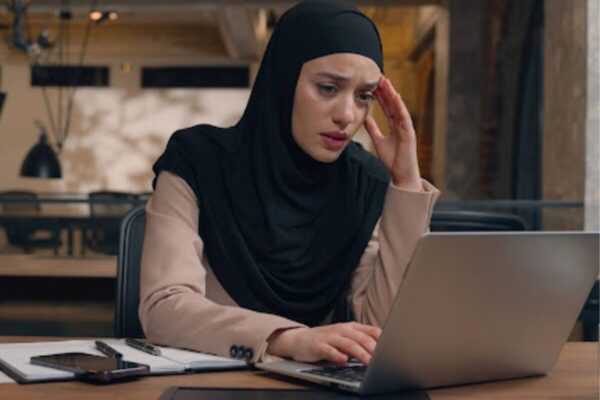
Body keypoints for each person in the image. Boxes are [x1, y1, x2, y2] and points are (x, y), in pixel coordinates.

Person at [139, 0, 440, 367]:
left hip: (316, 386)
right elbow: (164, 307)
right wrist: (286, 339)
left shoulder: (364, 181)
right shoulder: (197, 160)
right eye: (328, 88)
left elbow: (382, 331)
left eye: (364, 96)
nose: (348, 115)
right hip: (207, 381)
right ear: (283, 81)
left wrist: (405, 183)